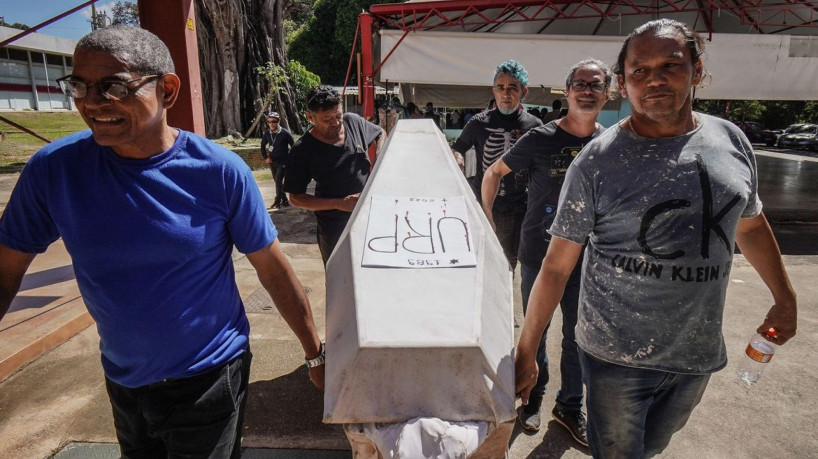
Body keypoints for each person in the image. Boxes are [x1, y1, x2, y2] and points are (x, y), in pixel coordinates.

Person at [0, 27, 325, 459]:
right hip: (122, 377)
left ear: (167, 90)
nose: (92, 102)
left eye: (114, 86)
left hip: (210, 377)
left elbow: (273, 269)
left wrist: (314, 354)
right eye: (79, 85)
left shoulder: (219, 171)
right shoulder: (52, 171)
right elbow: (6, 267)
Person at [515, 19, 797, 458]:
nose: (655, 80)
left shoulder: (731, 141)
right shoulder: (596, 162)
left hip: (697, 353)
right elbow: (555, 265)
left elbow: (749, 223)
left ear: (697, 70)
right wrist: (527, 350)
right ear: (624, 82)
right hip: (614, 358)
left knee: (652, 447)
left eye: (671, 65)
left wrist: (785, 297)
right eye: (640, 70)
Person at [482, 59, 612, 445]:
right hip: (539, 255)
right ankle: (532, 397)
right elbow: (493, 173)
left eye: (595, 84)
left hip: (589, 260)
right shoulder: (540, 138)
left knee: (578, 336)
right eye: (579, 84)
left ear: (608, 93)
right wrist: (487, 217)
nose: (586, 91)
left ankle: (569, 406)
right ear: (567, 91)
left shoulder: (612, 144)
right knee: (535, 332)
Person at [451, 59, 542, 271]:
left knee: (507, 261)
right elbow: (458, 148)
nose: (505, 93)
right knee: (478, 258)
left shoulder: (534, 126)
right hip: (482, 203)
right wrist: (457, 157)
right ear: (494, 91)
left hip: (516, 204)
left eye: (512, 88)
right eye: (500, 87)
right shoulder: (478, 122)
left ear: (524, 92)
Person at [284, 85, 385, 265]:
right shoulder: (302, 150)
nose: (336, 122)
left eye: (338, 115)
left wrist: (380, 154)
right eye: (327, 119)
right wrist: (339, 203)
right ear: (310, 116)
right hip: (335, 228)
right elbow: (296, 198)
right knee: (339, 274)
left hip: (370, 219)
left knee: (372, 269)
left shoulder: (353, 122)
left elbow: (380, 133)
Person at [261, 111, 295, 209]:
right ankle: (285, 200)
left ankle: (277, 201)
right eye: (269, 121)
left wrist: (289, 157)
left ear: (278, 121)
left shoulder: (285, 133)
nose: (271, 124)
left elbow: (293, 146)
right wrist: (266, 157)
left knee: (278, 180)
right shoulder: (267, 133)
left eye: (274, 121)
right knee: (277, 182)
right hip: (272, 161)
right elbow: (262, 146)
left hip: (283, 162)